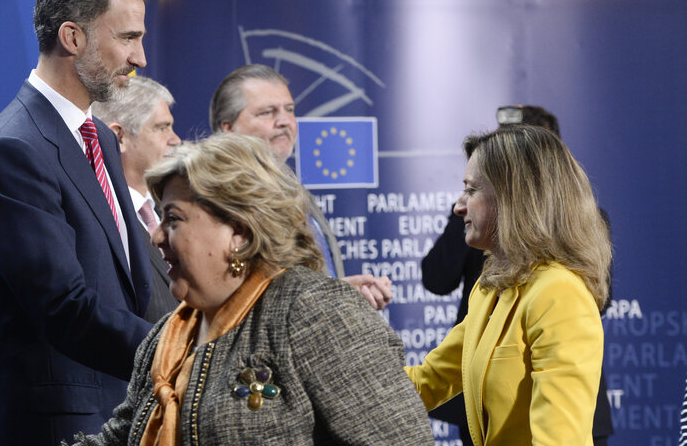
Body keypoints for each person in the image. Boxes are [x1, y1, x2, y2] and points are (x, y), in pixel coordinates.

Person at [64, 133, 436, 445]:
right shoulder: (169, 335)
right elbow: (117, 439)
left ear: (239, 232)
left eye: (173, 219)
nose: (158, 235)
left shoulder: (315, 314)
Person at [0, 0, 153, 446]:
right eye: (128, 38)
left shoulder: (101, 137)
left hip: (119, 413)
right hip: (51, 427)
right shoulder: (13, 150)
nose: (140, 58)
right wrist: (178, 348)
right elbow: (64, 307)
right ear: (72, 37)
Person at [421, 105, 614, 445]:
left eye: (471, 189)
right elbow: (430, 379)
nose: (458, 206)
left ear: (512, 198)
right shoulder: (489, 288)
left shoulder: (559, 293)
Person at [210, 64, 392, 310]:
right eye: (267, 113)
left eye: (289, 110)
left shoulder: (291, 187)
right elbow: (240, 297)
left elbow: (295, 286)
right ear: (228, 128)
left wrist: (340, 290)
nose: (284, 121)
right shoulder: (219, 199)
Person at [93, 76, 181, 322]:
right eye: (162, 128)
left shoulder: (171, 211)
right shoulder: (98, 221)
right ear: (118, 138)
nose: (175, 139)